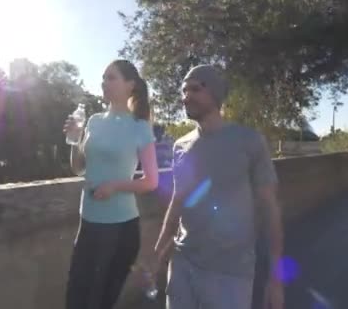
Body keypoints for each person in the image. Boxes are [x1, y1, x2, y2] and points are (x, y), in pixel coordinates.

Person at [153, 65, 284, 309]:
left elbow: (270, 208)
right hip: (183, 265)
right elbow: (178, 200)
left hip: (231, 272)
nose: (186, 96)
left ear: (215, 93)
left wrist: (276, 279)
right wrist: (161, 249)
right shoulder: (180, 146)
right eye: (183, 90)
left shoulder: (249, 141)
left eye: (195, 88)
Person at [62, 59, 159, 309]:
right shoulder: (93, 121)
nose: (104, 83)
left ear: (130, 85)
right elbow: (79, 167)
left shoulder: (140, 126)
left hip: (120, 229)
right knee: (76, 297)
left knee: (98, 301)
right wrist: (73, 140)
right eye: (103, 77)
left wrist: (115, 186)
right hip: (88, 224)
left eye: (111, 77)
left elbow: (151, 181)